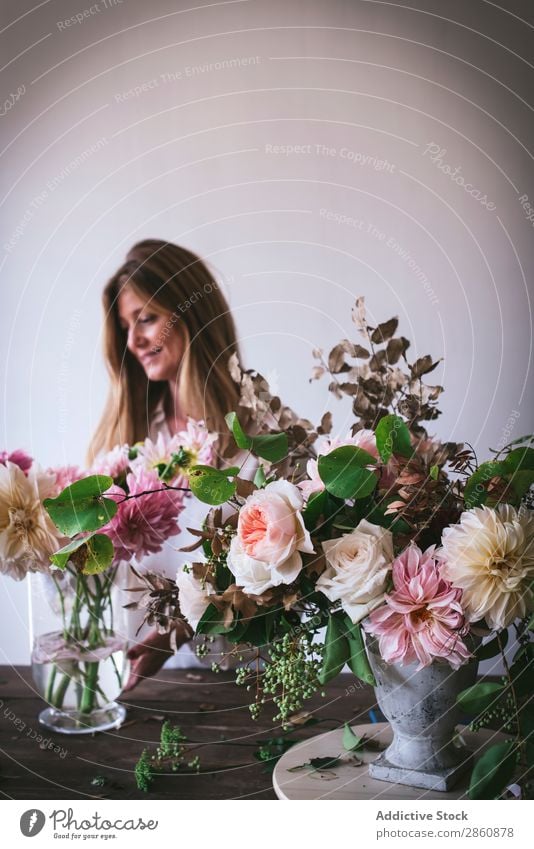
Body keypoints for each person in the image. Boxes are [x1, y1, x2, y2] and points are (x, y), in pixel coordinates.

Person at [88, 238, 246, 692]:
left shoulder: (257, 439)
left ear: (190, 315)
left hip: (240, 681)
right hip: (135, 680)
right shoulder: (129, 438)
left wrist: (173, 633)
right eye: (126, 327)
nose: (133, 341)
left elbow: (270, 579)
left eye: (147, 319)